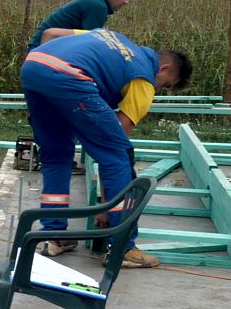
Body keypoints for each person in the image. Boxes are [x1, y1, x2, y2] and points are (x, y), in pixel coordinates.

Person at [21, 29, 191, 269]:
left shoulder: (114, 38)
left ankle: (54, 236)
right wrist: (106, 206)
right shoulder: (143, 79)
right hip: (69, 75)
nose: (159, 89)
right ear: (164, 68)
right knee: (119, 156)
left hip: (33, 66)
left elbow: (51, 33)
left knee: (56, 156)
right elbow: (114, 150)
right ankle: (122, 247)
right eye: (165, 85)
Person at [26, 0, 134, 54]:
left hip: (43, 47)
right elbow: (89, 41)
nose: (126, 1)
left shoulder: (95, 2)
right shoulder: (98, 6)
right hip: (43, 49)